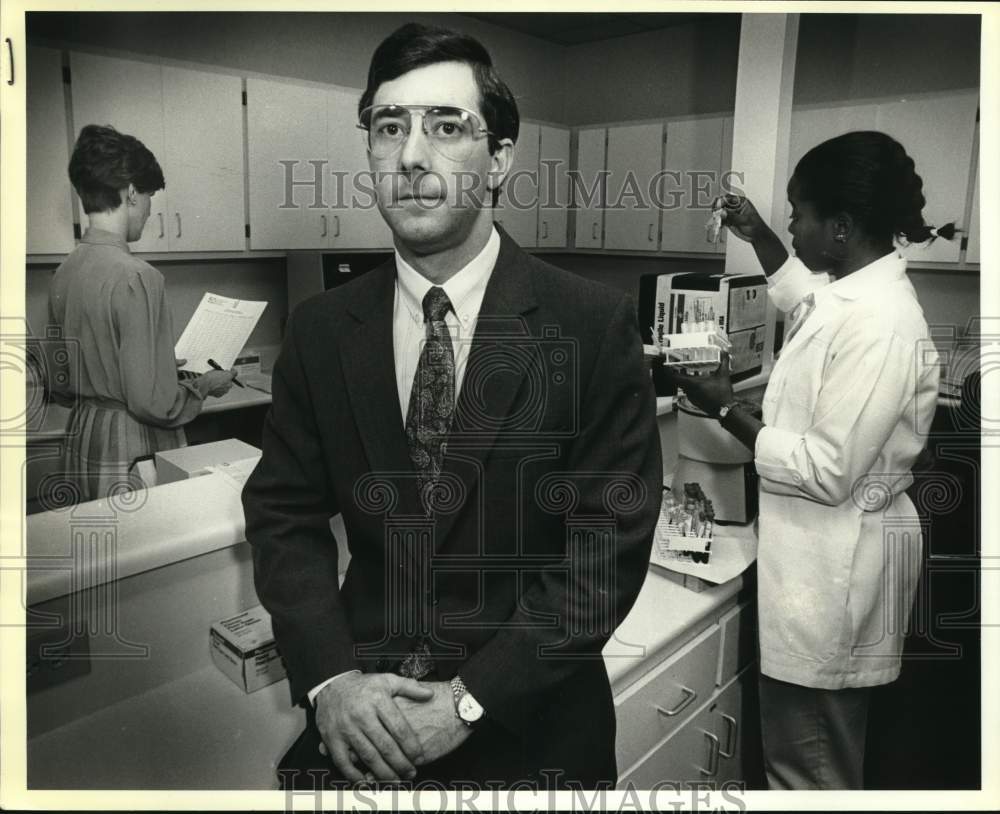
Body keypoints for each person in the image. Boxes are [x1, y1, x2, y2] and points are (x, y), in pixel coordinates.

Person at [242, 23, 662, 790]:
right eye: (388, 126)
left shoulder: (589, 327)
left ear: (499, 159)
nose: (410, 155)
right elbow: (282, 514)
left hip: (532, 732)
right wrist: (331, 681)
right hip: (363, 728)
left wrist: (469, 701)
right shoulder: (323, 330)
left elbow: (604, 551)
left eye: (446, 126)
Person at [663, 131, 943, 789]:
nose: (791, 225)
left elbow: (826, 469)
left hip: (833, 581)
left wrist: (724, 405)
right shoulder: (852, 293)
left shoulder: (880, 323)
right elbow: (801, 296)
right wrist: (758, 231)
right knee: (806, 759)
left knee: (809, 773)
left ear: (840, 228)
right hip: (816, 563)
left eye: (798, 214)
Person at [48, 124, 236, 502]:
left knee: (99, 552)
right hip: (130, 446)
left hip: (83, 436)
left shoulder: (64, 272)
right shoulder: (138, 277)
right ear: (132, 193)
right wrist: (203, 386)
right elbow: (155, 404)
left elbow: (63, 385)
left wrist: (160, 367)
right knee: (150, 551)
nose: (150, 210)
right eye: (149, 196)